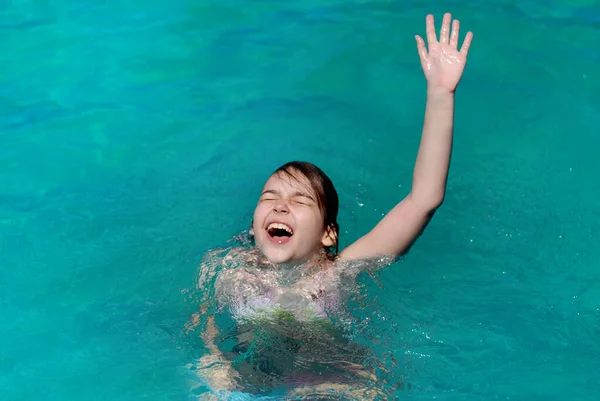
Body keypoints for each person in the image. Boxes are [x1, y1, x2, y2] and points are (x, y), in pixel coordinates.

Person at [187, 12, 474, 400]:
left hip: (329, 376)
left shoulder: (338, 274)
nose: (280, 206)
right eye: (269, 198)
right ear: (254, 227)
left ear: (328, 234)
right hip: (251, 371)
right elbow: (204, 329)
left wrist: (441, 93)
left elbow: (424, 200)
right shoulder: (226, 270)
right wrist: (215, 361)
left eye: (299, 200)